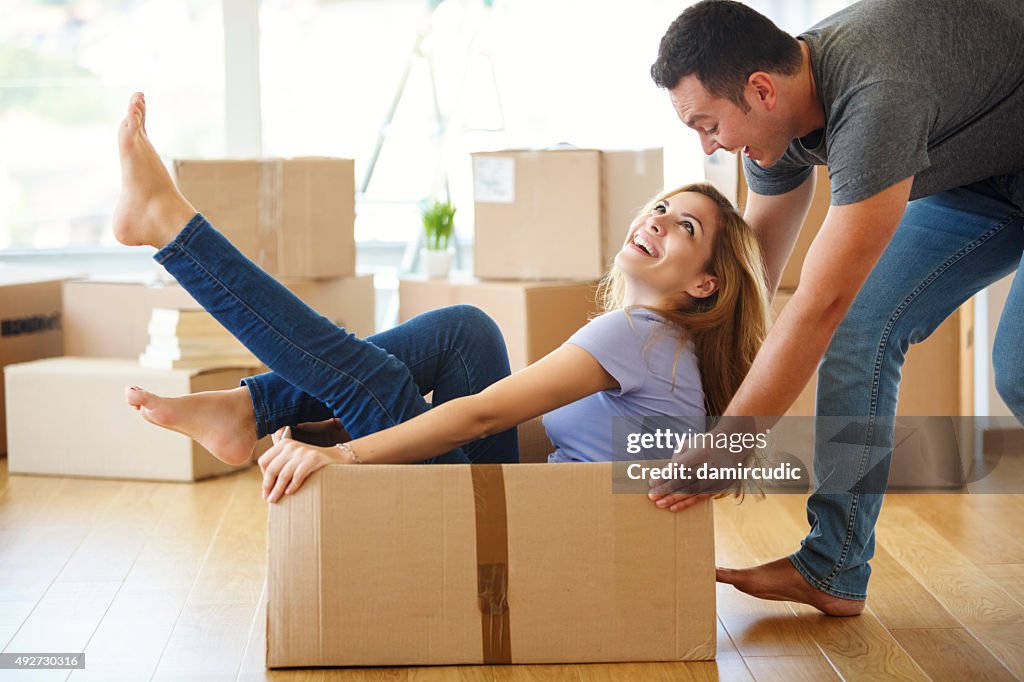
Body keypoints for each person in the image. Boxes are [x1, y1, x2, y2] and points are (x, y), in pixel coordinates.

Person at [114, 93, 770, 504]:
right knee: (466, 331)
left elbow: (482, 417)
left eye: (684, 227)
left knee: (370, 378)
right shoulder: (663, 346)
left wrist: (344, 452)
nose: (655, 219)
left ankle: (173, 231)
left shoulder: (635, 336)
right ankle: (245, 409)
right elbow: (544, 441)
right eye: (659, 206)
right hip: (525, 505)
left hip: (509, 531)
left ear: (703, 285)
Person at [645, 0, 1024, 616]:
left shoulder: (875, 98)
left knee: (1019, 370)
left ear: (760, 90)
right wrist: (697, 396)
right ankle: (832, 567)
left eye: (709, 126)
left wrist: (732, 443)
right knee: (861, 329)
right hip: (983, 171)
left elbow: (820, 301)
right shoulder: (780, 119)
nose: (712, 146)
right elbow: (754, 277)